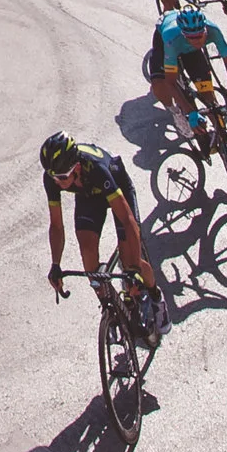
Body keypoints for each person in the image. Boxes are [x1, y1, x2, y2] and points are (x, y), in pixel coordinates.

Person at [39, 133, 163, 335]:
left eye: (62, 178)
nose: (57, 182)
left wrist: (133, 269)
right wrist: (55, 265)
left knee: (131, 261)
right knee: (88, 256)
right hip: (88, 196)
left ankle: (156, 298)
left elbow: (127, 220)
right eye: (53, 177)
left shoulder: (97, 169)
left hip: (115, 184)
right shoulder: (53, 177)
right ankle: (110, 308)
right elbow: (56, 226)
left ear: (76, 167)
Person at [146, 5, 227, 130]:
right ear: (184, 34)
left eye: (200, 36)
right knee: (160, 83)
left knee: (209, 97)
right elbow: (171, 82)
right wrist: (190, 112)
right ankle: (176, 113)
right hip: (167, 44)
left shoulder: (213, 30)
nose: (197, 41)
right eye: (192, 37)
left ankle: (221, 131)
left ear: (205, 30)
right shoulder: (171, 38)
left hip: (189, 49)